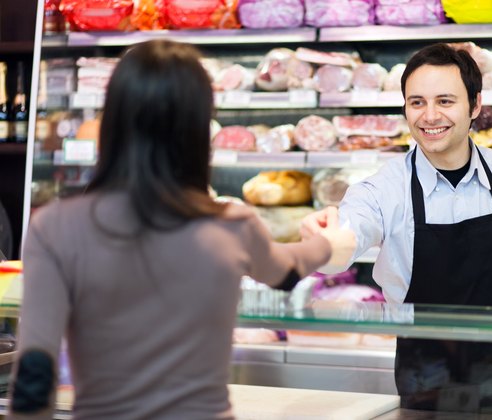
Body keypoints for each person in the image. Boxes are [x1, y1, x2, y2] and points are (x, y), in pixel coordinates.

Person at [8, 40, 354, 419]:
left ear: (114, 116)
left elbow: (35, 369)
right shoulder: (232, 224)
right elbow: (286, 270)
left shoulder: (55, 227)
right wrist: (327, 244)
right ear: (198, 124)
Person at [301, 43, 492, 416]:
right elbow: (349, 236)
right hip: (426, 381)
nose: (429, 115)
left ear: (476, 106)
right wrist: (327, 244)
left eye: (445, 101)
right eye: (416, 102)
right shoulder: (383, 189)